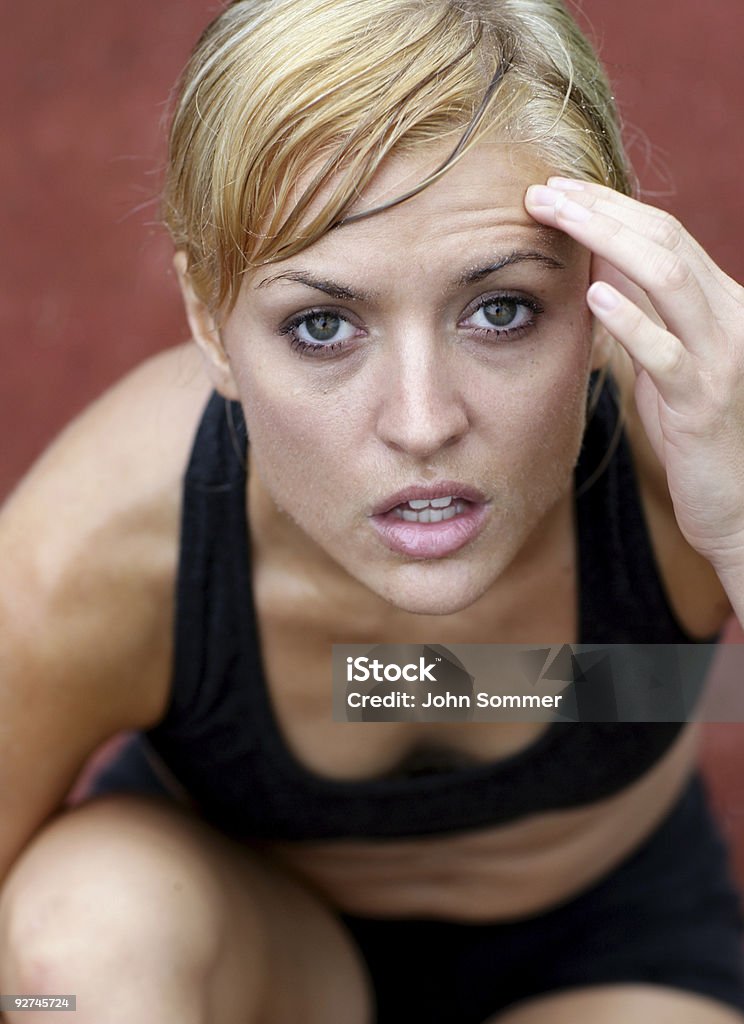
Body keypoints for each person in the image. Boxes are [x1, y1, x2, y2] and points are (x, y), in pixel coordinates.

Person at [1, 0, 744, 1021]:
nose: (423, 421)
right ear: (212, 323)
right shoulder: (101, 555)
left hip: (607, 947)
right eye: (320, 324)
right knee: (74, 954)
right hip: (252, 948)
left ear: (594, 288)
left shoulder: (694, 466)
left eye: (501, 310)